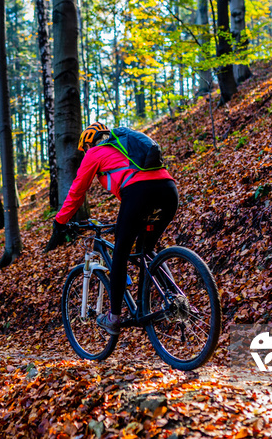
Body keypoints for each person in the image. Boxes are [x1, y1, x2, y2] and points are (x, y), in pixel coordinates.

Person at [48, 122, 178, 335]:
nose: (86, 154)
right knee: (146, 249)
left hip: (139, 193)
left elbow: (77, 191)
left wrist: (60, 222)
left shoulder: (95, 153)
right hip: (168, 191)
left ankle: (113, 318)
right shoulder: (125, 149)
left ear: (89, 143)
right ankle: (175, 298)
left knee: (120, 253)